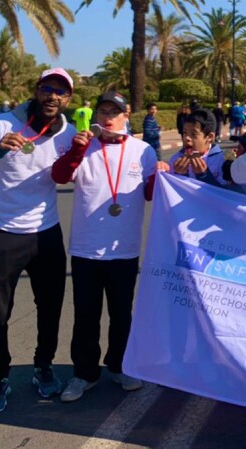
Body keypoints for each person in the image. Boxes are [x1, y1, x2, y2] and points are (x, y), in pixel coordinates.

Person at [0, 68, 76, 414]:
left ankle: (43, 366)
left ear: (68, 100)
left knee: (50, 309)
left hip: (46, 233)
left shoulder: (70, 134)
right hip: (2, 234)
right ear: (37, 91)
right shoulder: (3, 124)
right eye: (47, 88)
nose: (53, 96)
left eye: (61, 92)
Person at [52, 92, 165, 402]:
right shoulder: (83, 147)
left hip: (124, 250)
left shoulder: (143, 152)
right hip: (86, 250)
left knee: (121, 314)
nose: (108, 117)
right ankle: (84, 374)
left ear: (126, 115)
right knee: (85, 315)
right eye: (102, 111)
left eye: (114, 112)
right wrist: (75, 151)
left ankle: (120, 366)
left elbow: (151, 194)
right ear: (95, 115)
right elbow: (60, 175)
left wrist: (164, 176)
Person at [169, 108, 227, 187]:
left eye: (193, 134)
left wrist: (204, 176)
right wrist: (179, 175)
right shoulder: (176, 159)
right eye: (185, 133)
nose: (187, 138)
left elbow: (225, 196)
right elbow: (169, 192)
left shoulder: (221, 161)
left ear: (209, 137)